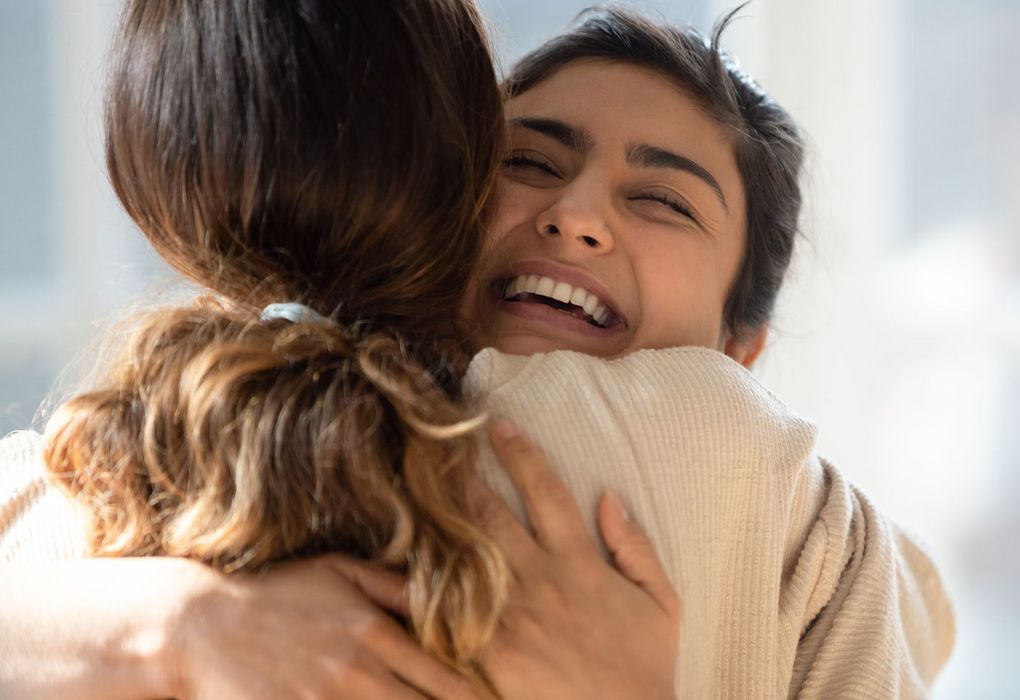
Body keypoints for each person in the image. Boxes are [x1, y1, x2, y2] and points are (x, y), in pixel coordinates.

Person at [1, 5, 955, 699]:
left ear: (740, 345)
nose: (575, 216)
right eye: (530, 162)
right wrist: (175, 623)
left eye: (662, 201)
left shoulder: (808, 531)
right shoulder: (132, 442)